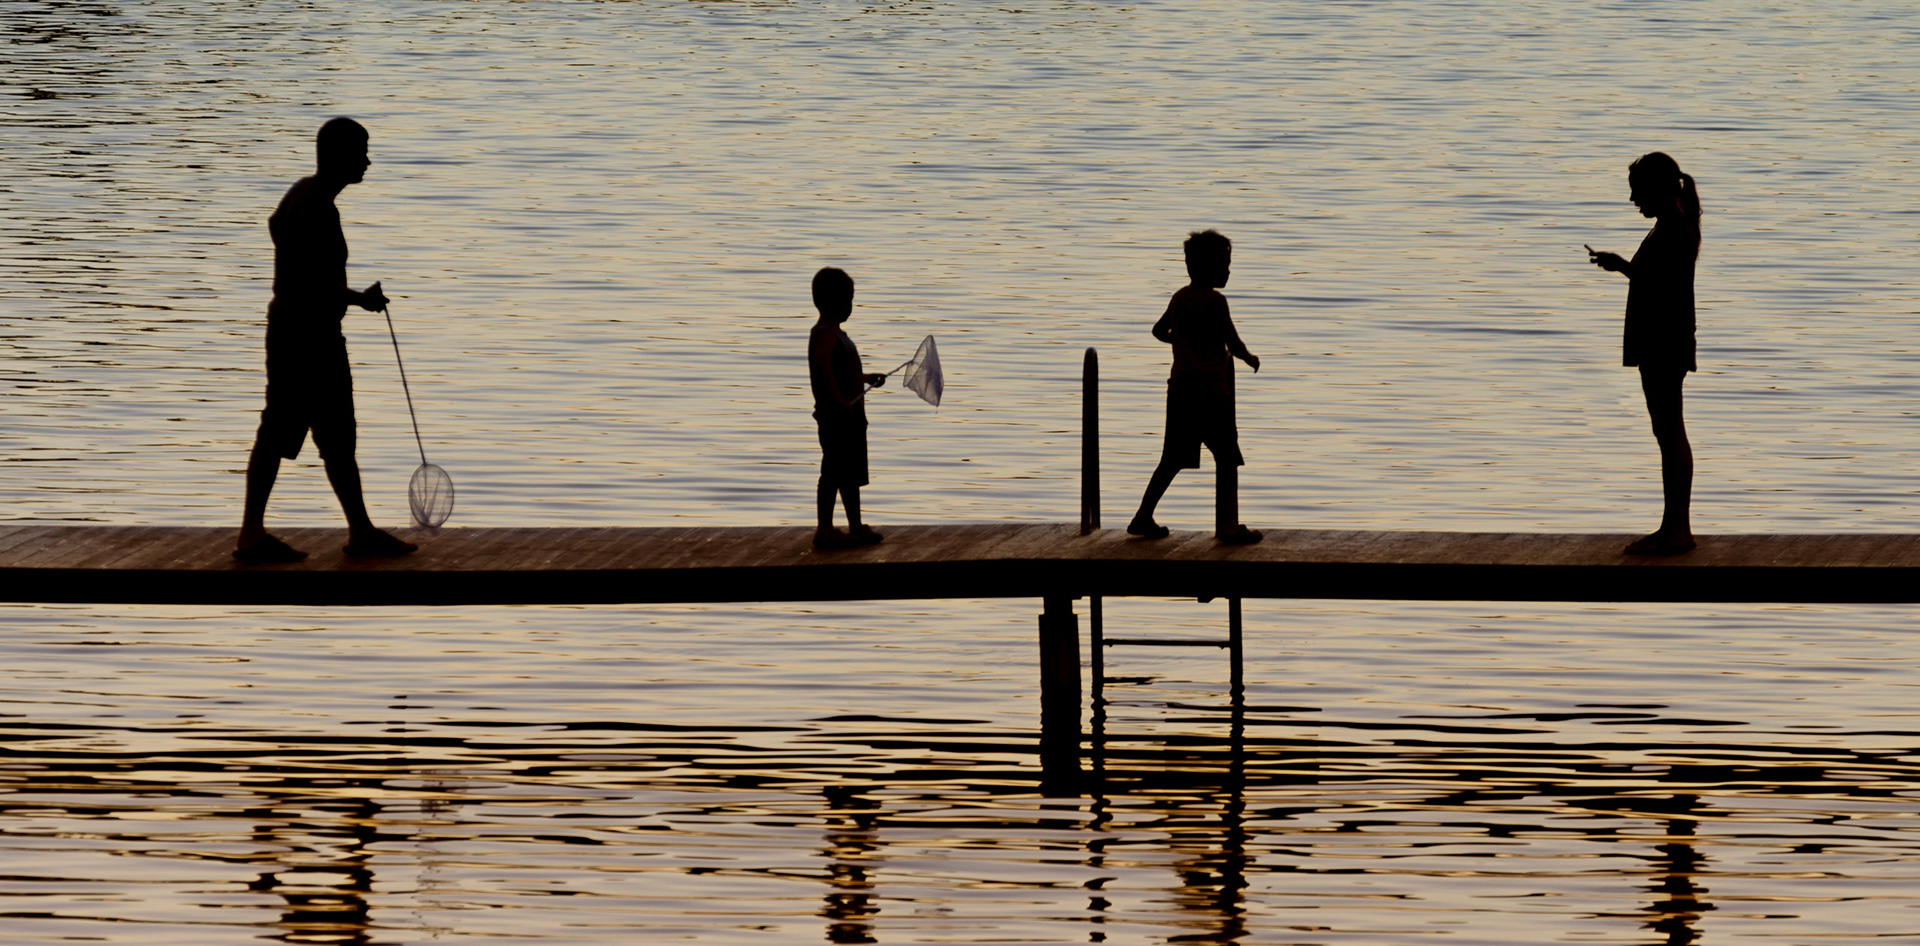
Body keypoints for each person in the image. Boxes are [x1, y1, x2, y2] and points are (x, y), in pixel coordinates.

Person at [234, 117, 417, 564]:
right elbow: (311, 280)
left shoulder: (305, 193)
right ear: (339, 156)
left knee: (335, 436)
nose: (368, 161)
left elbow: (282, 236)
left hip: (303, 332)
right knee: (280, 430)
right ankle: (252, 536)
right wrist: (360, 299)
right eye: (362, 151)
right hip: (305, 339)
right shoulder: (315, 205)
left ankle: (360, 530)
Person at [1588, 151, 1701, 555]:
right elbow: (1655, 279)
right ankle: (1674, 527)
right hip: (1660, 341)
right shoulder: (1669, 227)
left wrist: (1622, 266)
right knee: (1666, 432)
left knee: (1670, 433)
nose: (1634, 200)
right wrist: (1621, 265)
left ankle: (1677, 530)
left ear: (1658, 189)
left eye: (1638, 191)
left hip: (1664, 343)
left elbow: (1662, 285)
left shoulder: (1675, 230)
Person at [1128, 229, 1263, 544]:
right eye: (1221, 264)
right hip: (1211, 392)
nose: (1227, 270)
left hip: (1180, 391)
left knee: (1172, 459)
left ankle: (1143, 515)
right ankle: (1228, 526)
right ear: (1202, 267)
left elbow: (1159, 330)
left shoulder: (1179, 297)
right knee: (1227, 457)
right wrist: (1248, 357)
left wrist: (1184, 340)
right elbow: (1233, 340)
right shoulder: (1215, 301)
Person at [808, 267, 888, 550]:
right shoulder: (826, 334)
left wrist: (866, 379)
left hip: (851, 418)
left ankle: (855, 525)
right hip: (836, 418)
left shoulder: (838, 335)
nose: (850, 306)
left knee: (850, 475)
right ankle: (825, 530)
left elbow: (842, 371)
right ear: (832, 301)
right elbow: (822, 367)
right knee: (832, 472)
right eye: (848, 299)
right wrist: (839, 401)